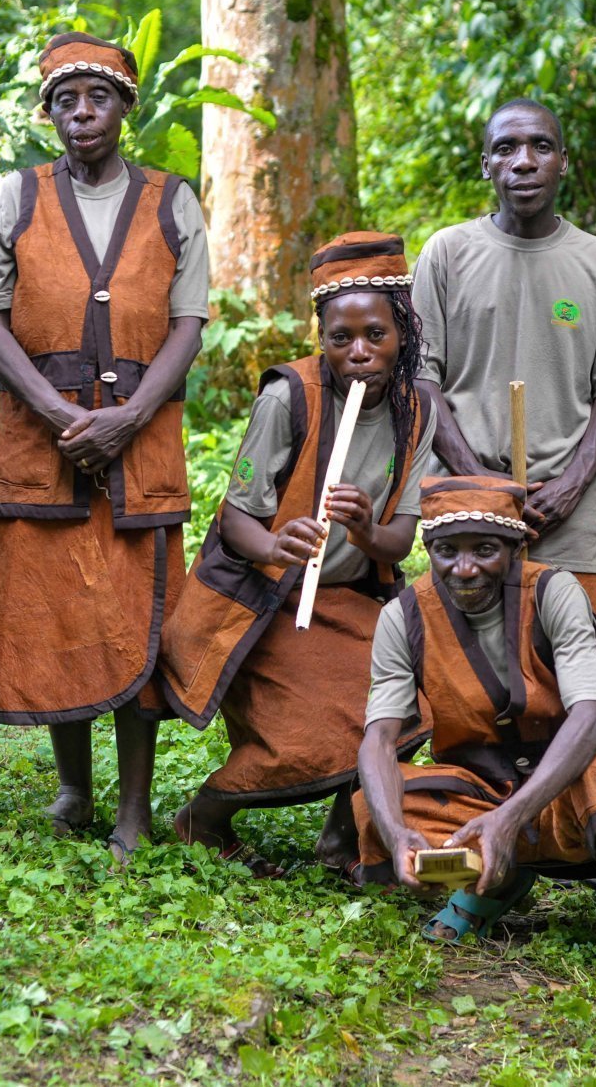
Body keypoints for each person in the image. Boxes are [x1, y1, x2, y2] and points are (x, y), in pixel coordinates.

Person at [0, 31, 209, 863]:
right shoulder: (16, 197)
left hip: (138, 455)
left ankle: (133, 811)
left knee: (134, 620)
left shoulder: (171, 201)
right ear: (49, 113)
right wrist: (56, 413)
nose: (81, 114)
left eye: (97, 98)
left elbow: (188, 324)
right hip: (41, 451)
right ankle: (74, 787)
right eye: (65, 101)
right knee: (55, 616)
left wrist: (130, 416)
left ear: (124, 109)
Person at [161, 234, 435, 879]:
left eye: (376, 335)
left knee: (410, 702)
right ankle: (203, 817)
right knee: (306, 731)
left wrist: (367, 531)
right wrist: (275, 545)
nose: (360, 353)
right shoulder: (290, 396)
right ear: (321, 338)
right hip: (266, 603)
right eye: (342, 339)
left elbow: (400, 542)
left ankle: (342, 840)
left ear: (403, 332)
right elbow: (235, 519)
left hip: (352, 601)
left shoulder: (418, 411)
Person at [354, 477, 596, 986]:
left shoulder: (553, 590)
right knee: (382, 804)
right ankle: (500, 881)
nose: (464, 569)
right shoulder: (403, 615)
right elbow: (378, 739)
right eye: (446, 551)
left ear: (515, 548)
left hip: (567, 771)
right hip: (487, 781)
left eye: (485, 550)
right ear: (428, 551)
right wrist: (395, 834)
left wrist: (511, 819)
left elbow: (590, 716)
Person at [411, 100, 596, 612]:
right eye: (506, 148)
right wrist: (478, 478)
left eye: (541, 146)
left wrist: (570, 485)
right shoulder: (447, 253)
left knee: (574, 650)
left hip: (563, 505)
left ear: (564, 160)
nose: (523, 161)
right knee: (467, 656)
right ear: (486, 164)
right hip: (464, 494)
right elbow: (422, 380)